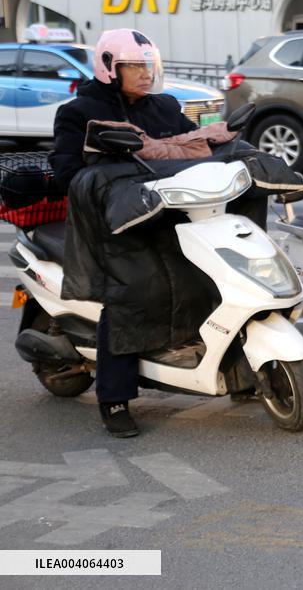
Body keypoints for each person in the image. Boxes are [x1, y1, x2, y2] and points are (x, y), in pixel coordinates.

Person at [50, 28, 198, 437]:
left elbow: (194, 145)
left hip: (166, 213)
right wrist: (112, 174)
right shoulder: (79, 113)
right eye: (136, 66)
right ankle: (114, 398)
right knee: (129, 293)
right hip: (111, 224)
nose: (146, 74)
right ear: (109, 68)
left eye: (150, 65)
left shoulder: (164, 107)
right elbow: (68, 173)